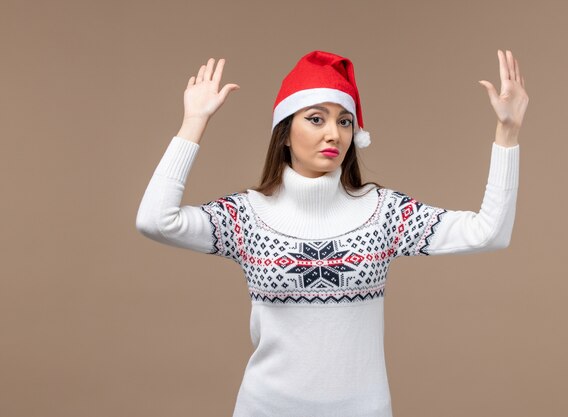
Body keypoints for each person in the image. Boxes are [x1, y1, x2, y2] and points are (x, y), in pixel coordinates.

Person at [136, 50, 529, 417]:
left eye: (344, 121)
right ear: (284, 132)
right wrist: (193, 123)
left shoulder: (384, 213)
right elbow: (156, 220)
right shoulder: (245, 217)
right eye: (316, 118)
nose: (333, 134)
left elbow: (488, 232)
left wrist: (507, 132)